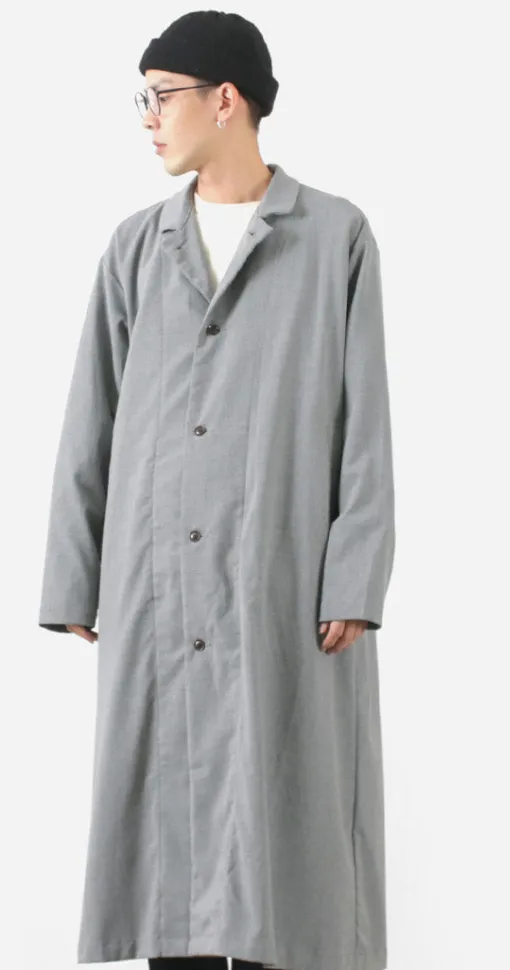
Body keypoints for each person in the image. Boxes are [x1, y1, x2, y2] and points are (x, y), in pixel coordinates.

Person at [37, 11, 395, 970]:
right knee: (173, 846)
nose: (147, 118)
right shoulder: (134, 248)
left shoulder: (334, 237)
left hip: (285, 578)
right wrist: (76, 576)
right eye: (145, 99)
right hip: (156, 582)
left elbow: (365, 424)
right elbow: (91, 417)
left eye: (161, 96)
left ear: (225, 99)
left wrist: (355, 576)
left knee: (285, 841)